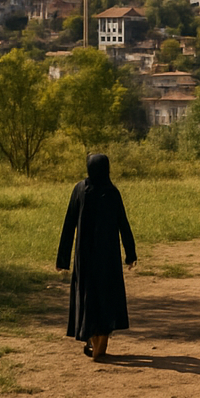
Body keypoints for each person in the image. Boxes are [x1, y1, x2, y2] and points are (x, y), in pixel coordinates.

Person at [56, 153, 137, 360]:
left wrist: (62, 259)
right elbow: (123, 224)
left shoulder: (80, 190)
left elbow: (69, 224)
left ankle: (92, 341)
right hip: (108, 256)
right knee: (106, 297)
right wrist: (130, 254)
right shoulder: (112, 192)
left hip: (85, 256)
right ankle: (100, 346)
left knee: (88, 296)